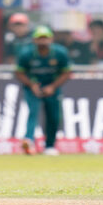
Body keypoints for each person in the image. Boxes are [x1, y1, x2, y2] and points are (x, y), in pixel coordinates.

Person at [15, 26, 71, 155]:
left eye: (45, 38)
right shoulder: (27, 53)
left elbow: (66, 73)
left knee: (54, 116)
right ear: (34, 40)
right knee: (33, 113)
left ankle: (50, 146)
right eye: (39, 38)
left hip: (52, 87)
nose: (42, 41)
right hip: (33, 87)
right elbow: (19, 72)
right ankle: (28, 141)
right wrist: (31, 85)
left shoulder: (59, 53)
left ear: (51, 39)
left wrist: (53, 87)